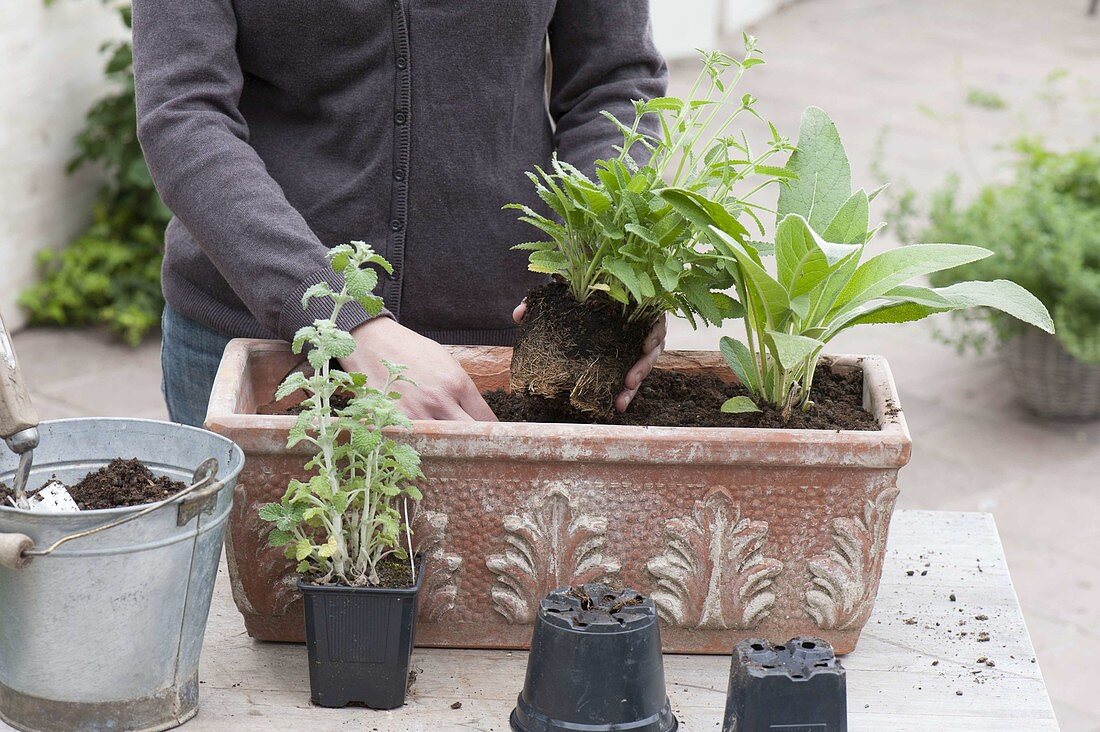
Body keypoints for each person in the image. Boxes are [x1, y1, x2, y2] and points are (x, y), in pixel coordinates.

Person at [132, 1, 668, 427]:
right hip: (261, 343)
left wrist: (607, 271)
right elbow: (184, 113)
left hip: (508, 351)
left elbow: (614, 85)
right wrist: (342, 318)